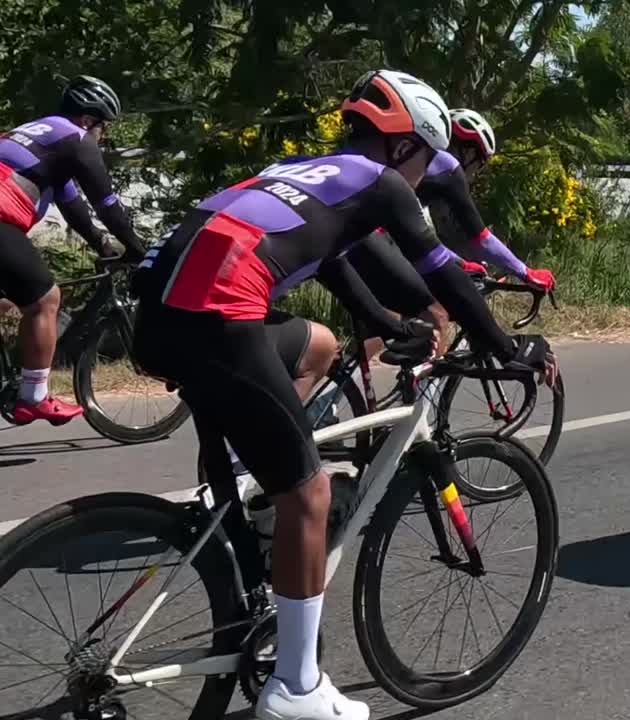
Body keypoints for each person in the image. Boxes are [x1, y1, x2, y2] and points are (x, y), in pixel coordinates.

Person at [130, 69, 553, 720]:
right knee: (312, 491)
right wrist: (505, 348)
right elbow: (439, 270)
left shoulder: (301, 170)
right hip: (217, 317)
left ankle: (258, 527)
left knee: (314, 345)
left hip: (156, 318)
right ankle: (296, 688)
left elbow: (332, 261)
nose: (424, 175)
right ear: (406, 147)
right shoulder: (383, 182)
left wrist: (386, 327)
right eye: (427, 160)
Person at [346, 107, 555, 352]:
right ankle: (422, 386)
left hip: (349, 233)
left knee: (385, 321)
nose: (475, 174)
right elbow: (481, 239)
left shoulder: (412, 160)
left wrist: (457, 262)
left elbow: (419, 237)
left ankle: (340, 383)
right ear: (468, 152)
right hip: (373, 240)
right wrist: (526, 272)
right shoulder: (448, 168)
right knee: (438, 313)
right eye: (479, 164)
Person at [0, 75, 145, 425]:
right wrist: (139, 250)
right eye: (103, 127)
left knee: (7, 301)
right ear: (87, 119)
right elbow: (107, 204)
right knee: (45, 300)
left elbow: (75, 207)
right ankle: (33, 398)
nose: (102, 136)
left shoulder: (38, 138)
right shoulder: (76, 139)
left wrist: (101, 243)